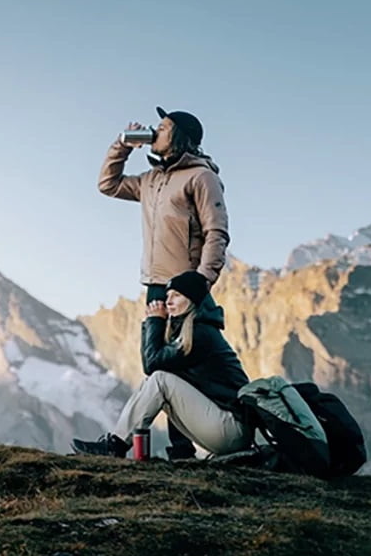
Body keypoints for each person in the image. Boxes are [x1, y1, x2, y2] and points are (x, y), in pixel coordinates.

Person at [97, 106, 230, 459]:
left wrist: (202, 280)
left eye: (164, 126)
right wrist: (122, 146)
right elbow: (108, 185)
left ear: (181, 137)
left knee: (183, 360)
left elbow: (216, 231)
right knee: (164, 361)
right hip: (155, 283)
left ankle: (185, 447)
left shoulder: (201, 177)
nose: (156, 130)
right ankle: (177, 450)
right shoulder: (151, 180)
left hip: (186, 285)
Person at [71, 271, 251, 458]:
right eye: (168, 296)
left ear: (192, 299)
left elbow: (153, 364)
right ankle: (127, 444)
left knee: (160, 380)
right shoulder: (190, 331)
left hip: (232, 428)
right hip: (224, 427)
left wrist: (155, 321)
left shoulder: (201, 334)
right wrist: (153, 324)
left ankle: (115, 446)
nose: (168, 301)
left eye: (177, 295)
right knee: (154, 381)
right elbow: (152, 365)